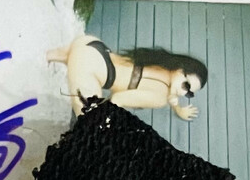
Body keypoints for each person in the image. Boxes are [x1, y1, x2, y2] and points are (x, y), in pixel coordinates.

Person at [47, 37, 207, 121]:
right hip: (88, 68)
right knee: (91, 123)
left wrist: (178, 109)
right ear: (180, 70)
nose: (183, 93)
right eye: (186, 86)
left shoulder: (163, 62)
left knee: (43, 57)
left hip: (92, 45)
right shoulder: (160, 98)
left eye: (189, 94)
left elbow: (172, 92)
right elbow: (117, 99)